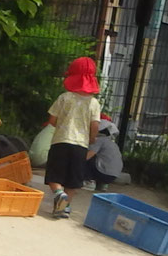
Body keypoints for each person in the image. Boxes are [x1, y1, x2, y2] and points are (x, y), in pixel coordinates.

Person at [44, 56, 102, 219]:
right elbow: (95, 125)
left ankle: (58, 193)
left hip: (60, 142)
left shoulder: (64, 97)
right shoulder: (94, 103)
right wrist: (91, 138)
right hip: (81, 146)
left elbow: (52, 120)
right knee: (73, 180)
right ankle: (65, 205)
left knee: (54, 176)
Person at [87, 117, 123, 191]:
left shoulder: (99, 140)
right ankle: (103, 184)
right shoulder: (112, 143)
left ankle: (89, 181)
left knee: (85, 156)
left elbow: (89, 155)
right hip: (114, 175)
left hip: (102, 173)